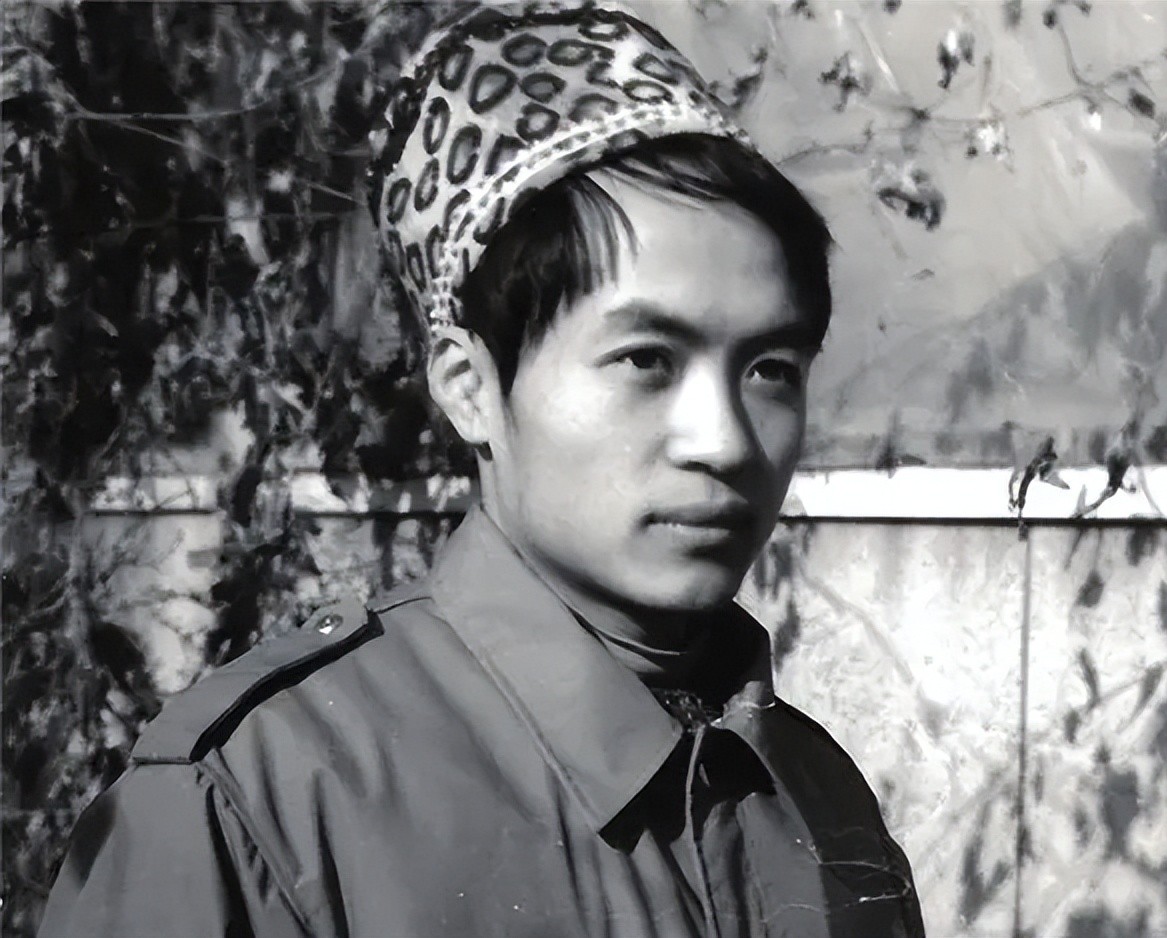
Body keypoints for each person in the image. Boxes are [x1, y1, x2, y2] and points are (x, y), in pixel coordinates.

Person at [39, 4, 925, 936]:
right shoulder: (258, 804)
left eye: (771, 370)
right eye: (646, 360)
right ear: (469, 388)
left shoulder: (818, 795)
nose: (725, 441)